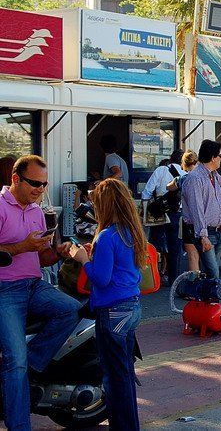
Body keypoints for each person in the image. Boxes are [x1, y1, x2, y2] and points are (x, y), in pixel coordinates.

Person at [0, 155, 81, 431]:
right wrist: (22, 246)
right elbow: (19, 250)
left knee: (71, 310)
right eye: (35, 183)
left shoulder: (37, 210)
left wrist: (57, 253)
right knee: (15, 361)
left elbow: (42, 258)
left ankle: (30, 365)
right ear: (15, 179)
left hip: (34, 285)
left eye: (44, 184)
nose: (41, 190)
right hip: (5, 289)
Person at [67, 178, 144, 430]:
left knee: (114, 377)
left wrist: (82, 259)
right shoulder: (131, 231)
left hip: (112, 310)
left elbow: (101, 278)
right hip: (131, 306)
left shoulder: (107, 236)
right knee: (124, 374)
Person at [180, 140, 221, 279]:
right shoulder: (195, 178)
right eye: (220, 156)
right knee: (213, 273)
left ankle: (205, 298)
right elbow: (196, 209)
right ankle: (204, 296)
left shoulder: (215, 176)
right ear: (212, 157)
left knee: (214, 271)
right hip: (205, 232)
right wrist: (203, 236)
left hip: (220, 230)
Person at [142, 149, 185, 285]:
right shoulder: (185, 174)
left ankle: (153, 277)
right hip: (176, 213)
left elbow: (147, 191)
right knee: (174, 247)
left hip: (159, 212)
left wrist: (145, 209)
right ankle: (173, 279)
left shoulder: (161, 170)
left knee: (155, 246)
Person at [168, 150, 200, 272]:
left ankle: (195, 284)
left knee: (192, 255)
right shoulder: (207, 176)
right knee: (208, 258)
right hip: (208, 220)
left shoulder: (184, 178)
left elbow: (169, 187)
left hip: (189, 219)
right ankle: (211, 284)